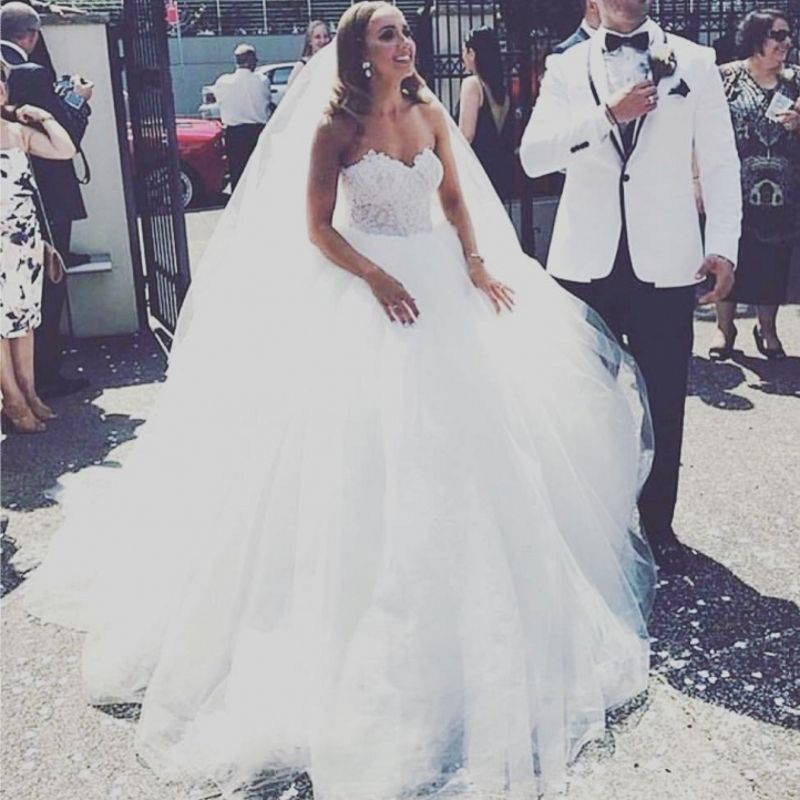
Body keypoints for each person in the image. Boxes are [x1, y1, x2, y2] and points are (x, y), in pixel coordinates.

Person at [24, 3, 657, 797]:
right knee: (362, 453)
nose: (404, 42)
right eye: (387, 34)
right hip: (367, 293)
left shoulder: (429, 111)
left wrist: (474, 262)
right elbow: (319, 228)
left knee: (471, 447)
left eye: (405, 31)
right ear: (360, 51)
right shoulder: (337, 127)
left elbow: (455, 200)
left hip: (439, 287)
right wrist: (378, 277)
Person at [520, 0, 742, 573]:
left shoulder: (696, 61)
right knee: (580, 403)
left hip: (667, 264)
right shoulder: (566, 65)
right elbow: (533, 157)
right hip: (581, 265)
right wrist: (607, 115)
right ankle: (588, 522)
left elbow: (721, 163)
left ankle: (659, 527)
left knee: (664, 402)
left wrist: (723, 246)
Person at [1, 1, 91, 399]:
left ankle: (18, 387)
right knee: (46, 288)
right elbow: (64, 140)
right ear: (32, 36)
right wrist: (78, 100)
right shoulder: (30, 72)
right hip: (42, 195)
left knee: (10, 297)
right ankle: (44, 376)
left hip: (10, 197)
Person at [709, 9, 800, 361]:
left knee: (774, 260)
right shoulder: (725, 78)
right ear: (756, 38)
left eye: (788, 34)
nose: (786, 42)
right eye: (778, 35)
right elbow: (703, 128)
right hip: (731, 188)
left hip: (782, 192)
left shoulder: (796, 80)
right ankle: (724, 328)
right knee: (728, 255)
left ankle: (767, 328)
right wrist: (698, 178)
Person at [0, 60, 76, 433]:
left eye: (0, 82)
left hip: (23, 238)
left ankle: (29, 391)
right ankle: (12, 399)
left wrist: (43, 116)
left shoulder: (17, 132)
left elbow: (65, 149)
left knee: (24, 318)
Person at [457, 26, 515, 201]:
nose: (462, 57)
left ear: (472, 53)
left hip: (476, 171)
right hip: (500, 171)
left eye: (464, 51)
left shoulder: (472, 84)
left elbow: (466, 135)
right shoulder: (502, 90)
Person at [212, 43, 272, 190]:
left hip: (234, 134)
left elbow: (219, 101)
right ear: (250, 60)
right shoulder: (262, 81)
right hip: (257, 132)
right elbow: (266, 102)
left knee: (237, 176)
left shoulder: (222, 82)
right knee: (260, 174)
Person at [287, 19, 331, 88]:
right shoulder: (302, 66)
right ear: (310, 41)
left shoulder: (333, 64)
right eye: (317, 37)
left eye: (325, 36)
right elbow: (290, 91)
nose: (323, 41)